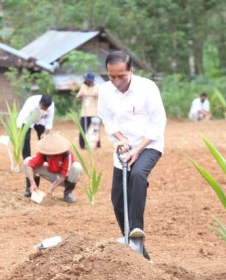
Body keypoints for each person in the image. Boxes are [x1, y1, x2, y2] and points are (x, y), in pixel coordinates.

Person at [97, 50, 167, 261]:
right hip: (123, 148)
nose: (117, 81)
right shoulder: (105, 91)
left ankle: (136, 230)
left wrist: (137, 149)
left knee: (137, 175)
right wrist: (121, 139)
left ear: (131, 70)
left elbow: (158, 122)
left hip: (149, 144)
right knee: (118, 199)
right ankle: (139, 252)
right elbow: (107, 120)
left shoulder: (147, 88)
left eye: (121, 76)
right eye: (112, 76)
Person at [23, 131, 83, 203]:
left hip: (64, 179)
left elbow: (63, 176)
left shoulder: (67, 154)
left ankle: (68, 193)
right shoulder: (44, 152)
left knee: (77, 167)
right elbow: (30, 165)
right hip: (52, 173)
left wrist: (51, 188)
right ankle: (31, 189)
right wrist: (32, 183)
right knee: (27, 161)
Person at [17, 94, 55, 159]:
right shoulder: (31, 103)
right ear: (40, 103)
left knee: (44, 138)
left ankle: (45, 158)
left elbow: (49, 121)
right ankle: (27, 158)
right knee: (26, 139)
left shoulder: (51, 106)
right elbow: (22, 116)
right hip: (28, 119)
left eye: (46, 109)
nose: (44, 110)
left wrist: (45, 133)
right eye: (43, 108)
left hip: (40, 120)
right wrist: (18, 128)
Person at [76, 73, 100, 149]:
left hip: (94, 112)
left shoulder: (98, 87)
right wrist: (81, 96)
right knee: (83, 129)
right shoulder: (83, 87)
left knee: (95, 129)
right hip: (85, 112)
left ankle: (97, 144)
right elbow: (78, 97)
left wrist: (97, 96)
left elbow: (102, 98)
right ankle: (82, 145)